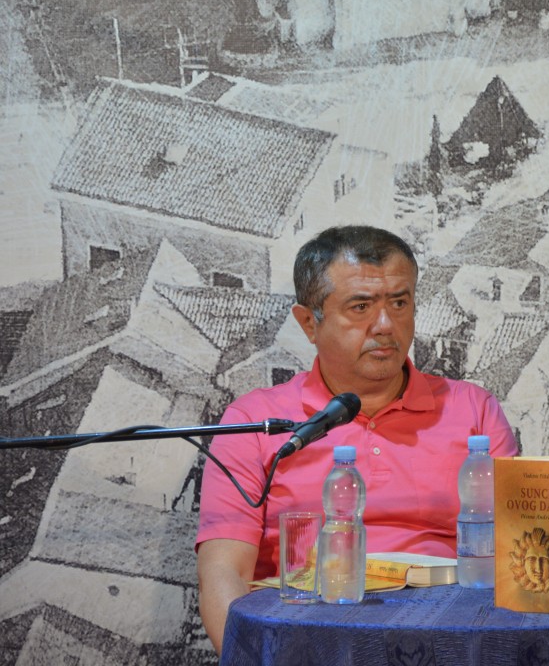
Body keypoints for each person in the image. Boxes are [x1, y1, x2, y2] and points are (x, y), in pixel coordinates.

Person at [196, 226, 519, 652]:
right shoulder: (256, 423)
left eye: (399, 303)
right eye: (361, 306)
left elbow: (520, 559)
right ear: (309, 322)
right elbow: (224, 575)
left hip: (454, 639)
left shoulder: (474, 411)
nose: (385, 325)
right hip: (310, 642)